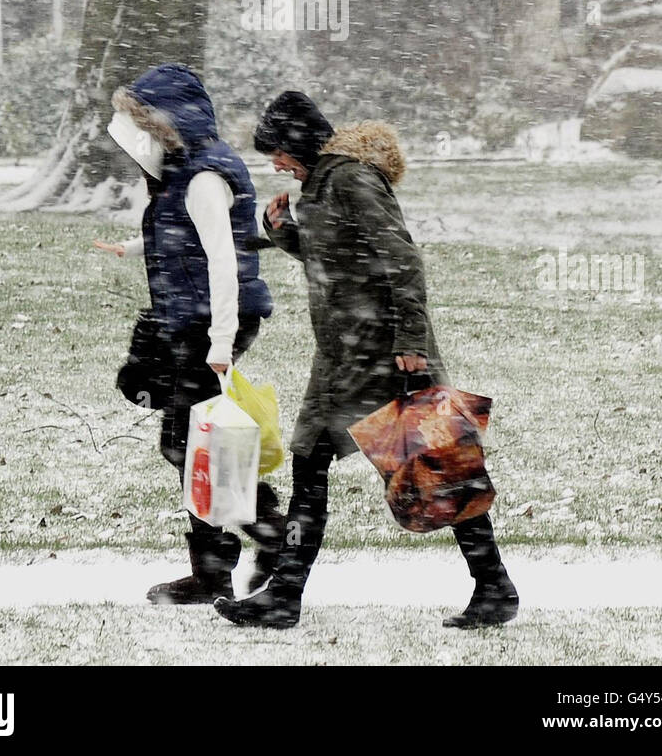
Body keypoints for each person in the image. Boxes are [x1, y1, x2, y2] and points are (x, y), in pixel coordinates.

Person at [215, 90, 519, 630]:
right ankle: (286, 593)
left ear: (299, 143)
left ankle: (493, 585)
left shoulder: (351, 178)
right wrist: (285, 234)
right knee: (324, 462)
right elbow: (339, 257)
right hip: (341, 359)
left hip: (382, 356)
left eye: (278, 153)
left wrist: (411, 343)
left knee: (434, 468)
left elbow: (402, 261)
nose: (276, 165)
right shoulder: (323, 184)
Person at [95, 63, 283, 604]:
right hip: (194, 317)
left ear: (176, 118)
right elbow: (189, 237)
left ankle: (250, 546)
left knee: (190, 442)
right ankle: (243, 548)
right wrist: (133, 247)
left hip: (212, 321)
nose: (146, 133)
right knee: (195, 442)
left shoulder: (203, 176)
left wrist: (221, 345)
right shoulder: (183, 167)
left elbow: (223, 260)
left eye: (149, 120)